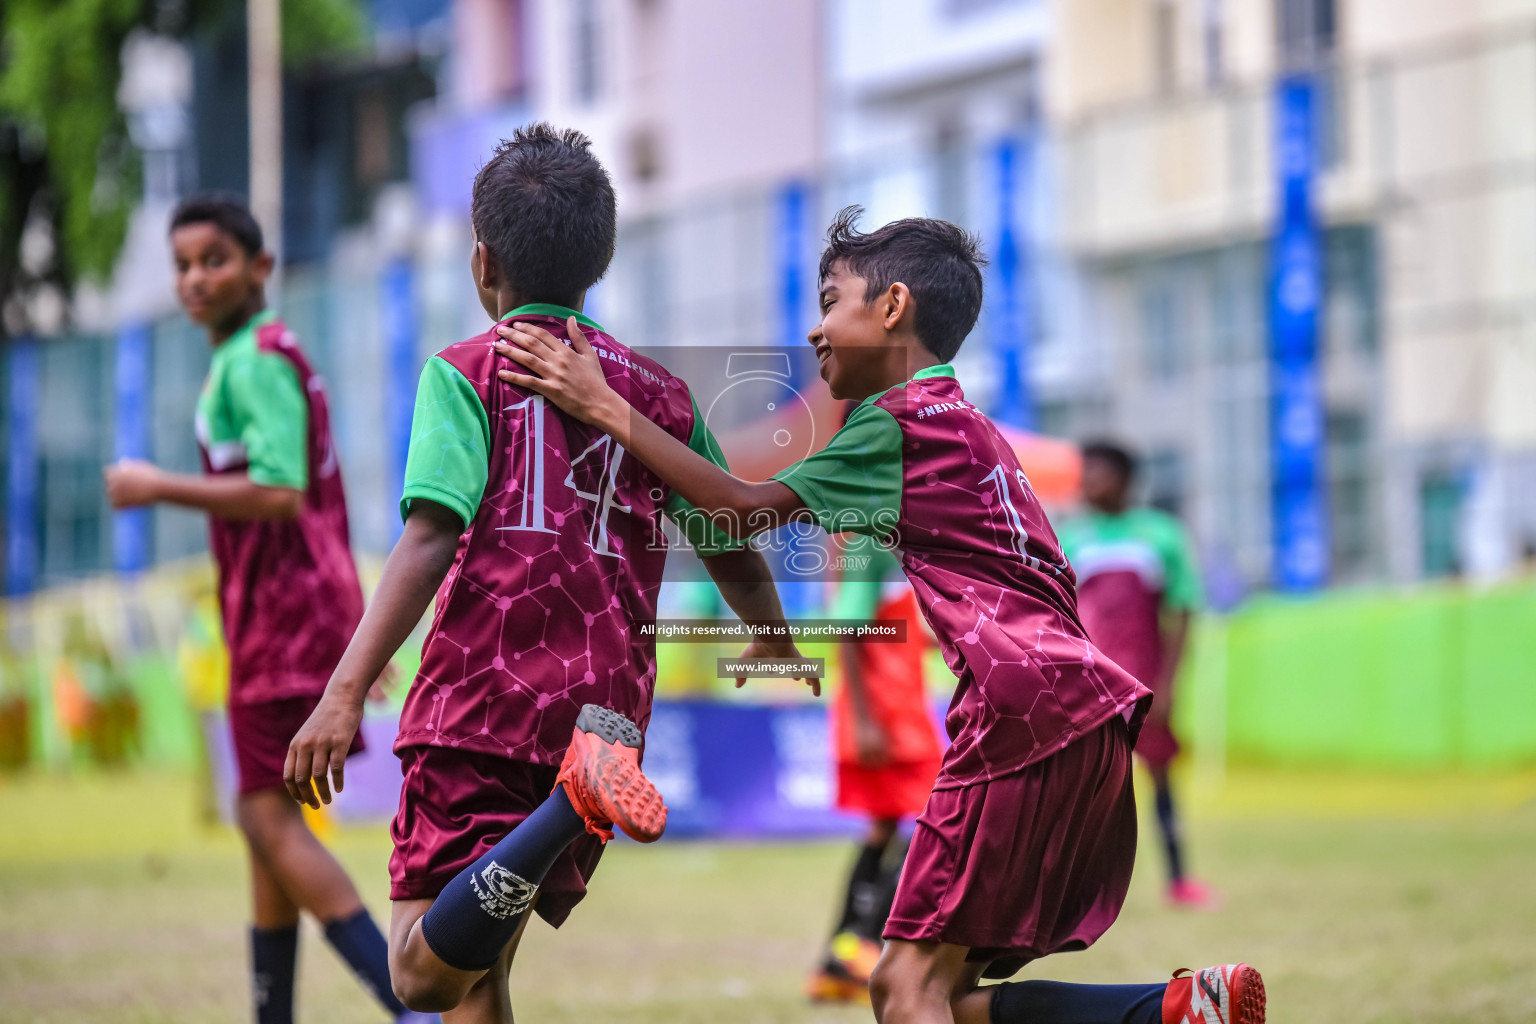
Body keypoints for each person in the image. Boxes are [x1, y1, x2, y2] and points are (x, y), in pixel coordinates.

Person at [489, 207, 1266, 1024]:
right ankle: (1174, 1008)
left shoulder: (891, 426)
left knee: (904, 990)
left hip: (1019, 708)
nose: (817, 329)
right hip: (1088, 710)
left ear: (891, 308)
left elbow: (736, 509)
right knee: (936, 990)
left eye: (831, 301)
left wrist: (603, 403)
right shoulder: (971, 428)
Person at [282, 123, 805, 1024]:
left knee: (418, 975)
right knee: (481, 978)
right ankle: (573, 794)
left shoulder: (469, 373)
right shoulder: (657, 394)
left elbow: (429, 539)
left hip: (481, 700)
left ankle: (569, 806)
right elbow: (726, 526)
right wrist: (772, 634)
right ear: (597, 260)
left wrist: (343, 689)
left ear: (482, 262)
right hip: (600, 713)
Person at [103, 194, 422, 1024]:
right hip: (294, 620)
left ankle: (412, 1005)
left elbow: (283, 494)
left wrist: (154, 486)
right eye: (181, 264)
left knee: (262, 815)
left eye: (214, 259)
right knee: (266, 827)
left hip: (282, 627)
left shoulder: (254, 360)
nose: (195, 279)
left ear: (260, 269)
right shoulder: (267, 355)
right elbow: (320, 502)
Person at [1057, 441, 1218, 909]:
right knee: (1081, 786)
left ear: (1125, 479)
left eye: (1097, 473)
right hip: (1089, 686)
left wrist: (1169, 683)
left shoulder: (1161, 536)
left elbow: (1183, 610)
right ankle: (1077, 892)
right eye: (1084, 472)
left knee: (1161, 778)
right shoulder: (1071, 539)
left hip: (1146, 683)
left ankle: (1179, 879)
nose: (1087, 482)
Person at [807, 538, 943, 1002]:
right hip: (886, 720)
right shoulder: (872, 546)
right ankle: (861, 944)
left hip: (894, 713)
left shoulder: (884, 548)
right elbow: (846, 627)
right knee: (937, 820)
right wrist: (864, 721)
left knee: (884, 828)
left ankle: (835, 961)